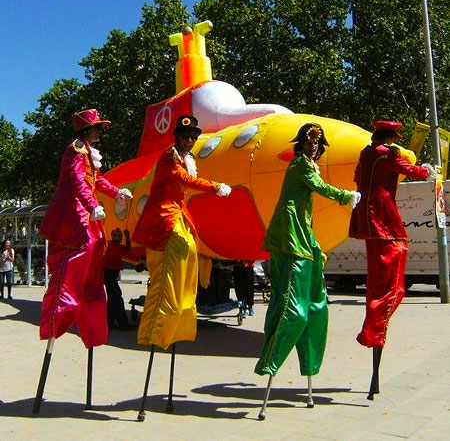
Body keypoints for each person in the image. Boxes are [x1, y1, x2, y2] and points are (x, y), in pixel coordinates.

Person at [255, 123, 360, 379]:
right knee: (292, 307)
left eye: (316, 144)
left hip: (301, 229)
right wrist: (346, 196)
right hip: (290, 232)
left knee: (315, 307)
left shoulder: (309, 165)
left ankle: (309, 363)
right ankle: (270, 361)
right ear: (300, 145)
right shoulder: (301, 165)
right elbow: (319, 187)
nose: (313, 147)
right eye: (309, 142)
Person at [132, 115, 232, 350]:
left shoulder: (188, 157)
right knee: (174, 260)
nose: (189, 140)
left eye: (192, 137)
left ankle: (177, 324)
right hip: (164, 217)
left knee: (189, 257)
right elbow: (181, 178)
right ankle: (155, 331)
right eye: (185, 136)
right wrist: (214, 186)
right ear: (176, 138)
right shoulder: (169, 156)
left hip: (179, 213)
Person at [38, 108, 133, 348]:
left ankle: (92, 330)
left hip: (88, 217)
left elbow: (96, 179)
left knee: (94, 265)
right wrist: (92, 206)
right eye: (98, 127)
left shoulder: (88, 152)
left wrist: (117, 193)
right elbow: (77, 181)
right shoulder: (75, 150)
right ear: (87, 129)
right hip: (74, 217)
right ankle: (56, 321)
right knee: (72, 265)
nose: (101, 131)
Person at [349, 120, 433, 349]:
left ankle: (373, 327)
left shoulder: (366, 153)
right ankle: (374, 330)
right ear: (388, 137)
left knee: (376, 275)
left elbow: (357, 177)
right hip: (382, 213)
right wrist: (428, 171)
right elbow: (412, 171)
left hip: (365, 213)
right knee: (392, 268)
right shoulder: (386, 155)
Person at [104, 228, 139, 330]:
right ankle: (123, 324)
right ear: (113, 236)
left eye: (120, 236)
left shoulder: (113, 245)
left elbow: (126, 250)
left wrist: (128, 238)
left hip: (110, 275)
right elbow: (128, 254)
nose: (120, 238)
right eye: (118, 236)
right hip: (110, 275)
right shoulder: (115, 247)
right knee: (117, 300)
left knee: (112, 300)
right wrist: (141, 261)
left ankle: (109, 322)